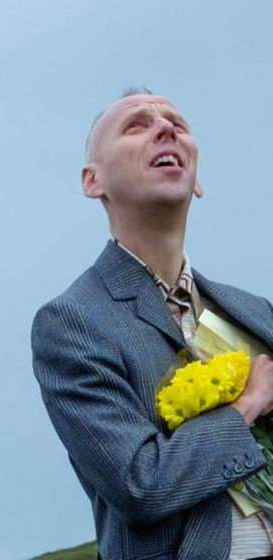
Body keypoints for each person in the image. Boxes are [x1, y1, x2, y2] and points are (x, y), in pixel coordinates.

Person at [32, 88, 273, 558]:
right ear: (92, 181)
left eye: (178, 124)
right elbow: (140, 484)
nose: (166, 129)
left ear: (196, 179)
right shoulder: (72, 323)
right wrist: (246, 406)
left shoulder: (255, 312)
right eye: (136, 125)